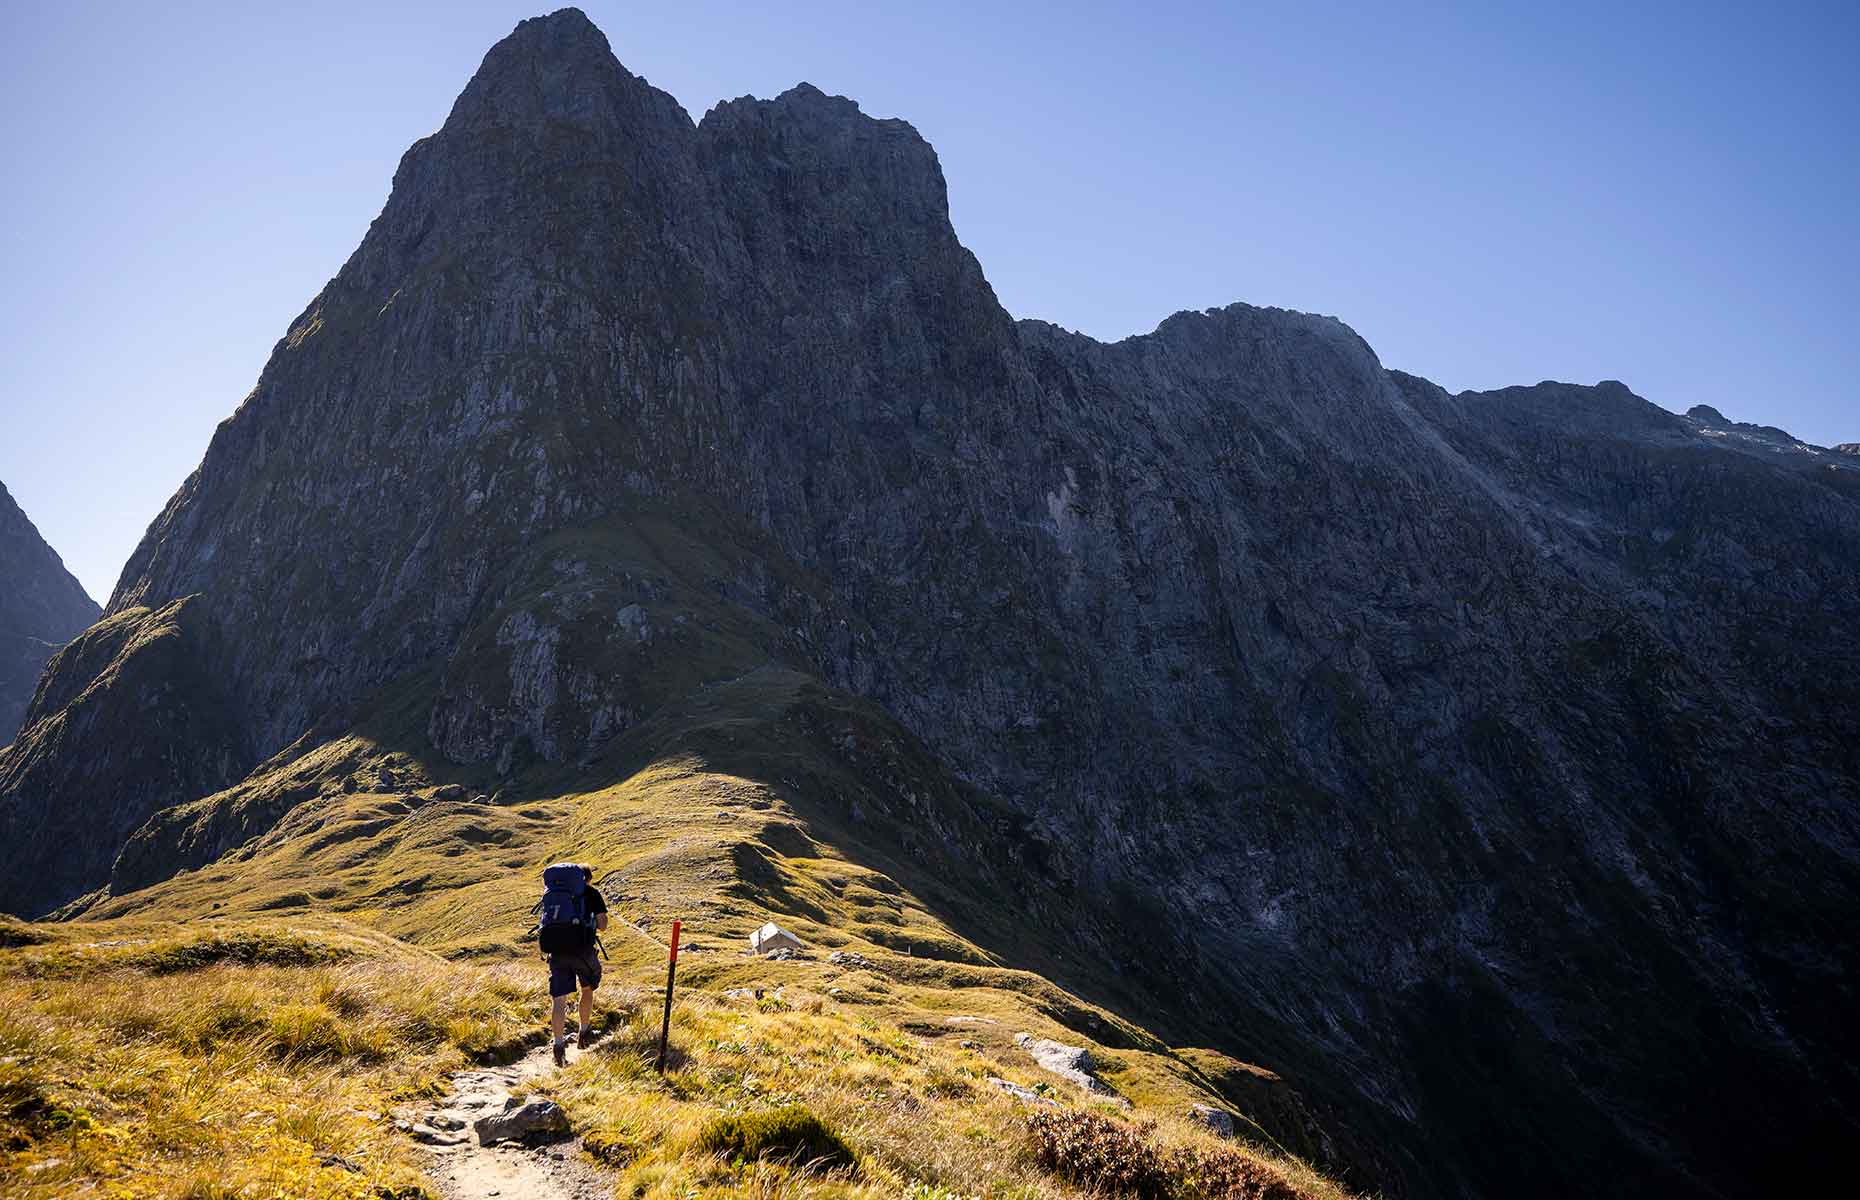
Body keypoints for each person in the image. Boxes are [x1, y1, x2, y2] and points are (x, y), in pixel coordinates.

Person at [546, 863, 608, 1066]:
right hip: (582, 950)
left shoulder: (553, 893)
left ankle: (558, 1045)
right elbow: (603, 925)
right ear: (587, 879)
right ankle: (584, 1032)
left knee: (559, 999)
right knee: (587, 989)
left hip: (556, 950)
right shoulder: (591, 893)